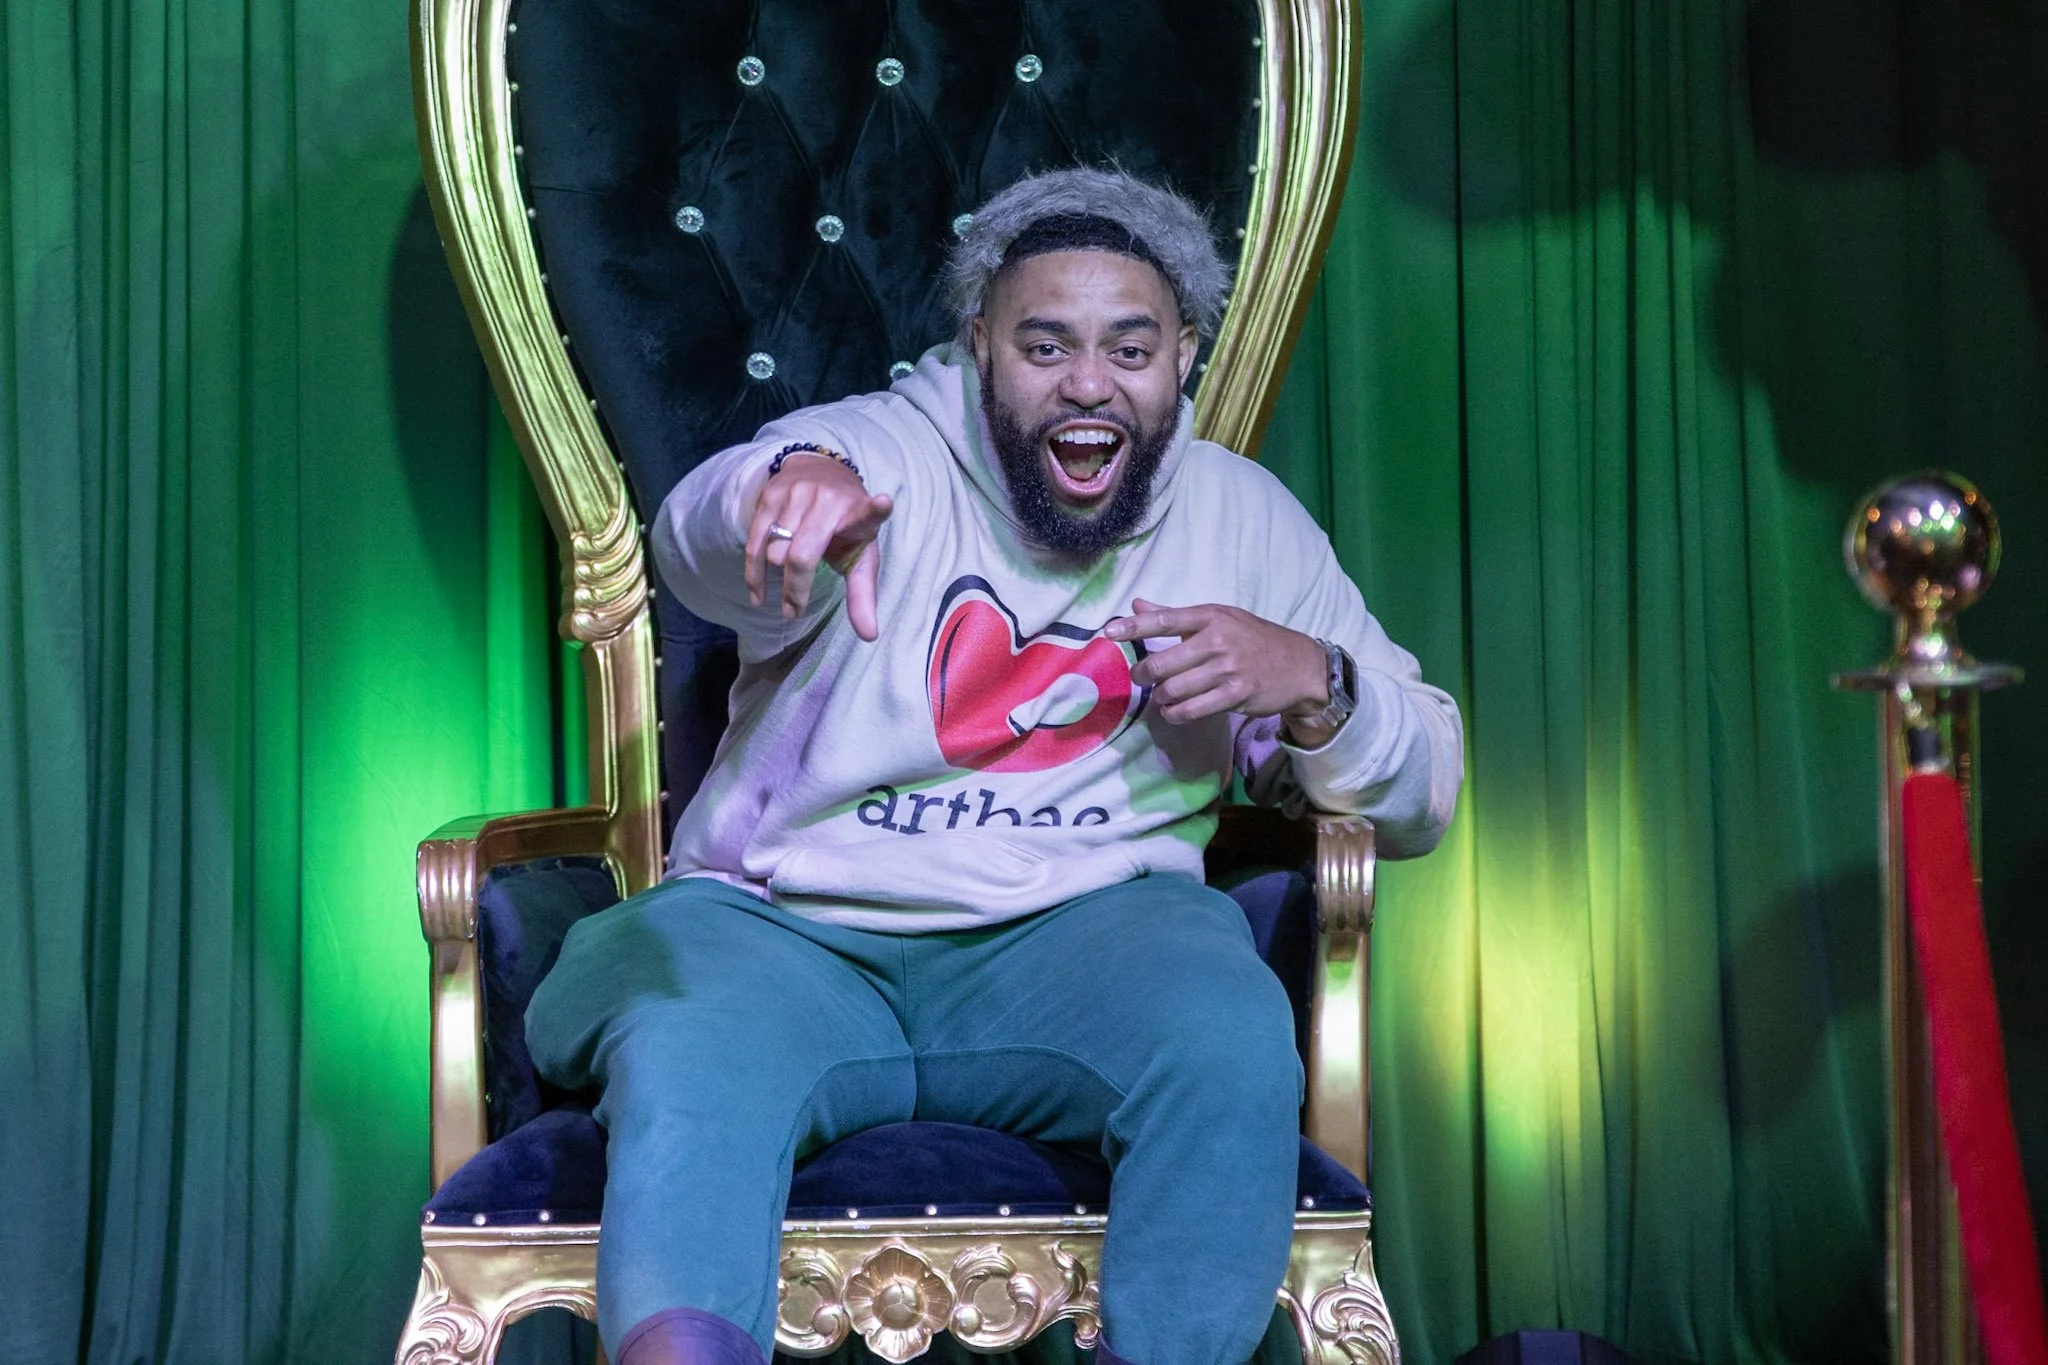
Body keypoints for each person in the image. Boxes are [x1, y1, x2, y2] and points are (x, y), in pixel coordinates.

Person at [526, 166, 1464, 1365]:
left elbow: (1425, 787)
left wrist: (1314, 682)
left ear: (1183, 355)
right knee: (685, 1046)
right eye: (1043, 345)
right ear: (979, 346)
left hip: (1083, 945)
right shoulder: (878, 452)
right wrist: (780, 496)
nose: (1088, 383)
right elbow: (699, 540)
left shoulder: (1244, 520)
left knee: (1226, 1038)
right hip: (791, 934)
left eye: (1130, 349)